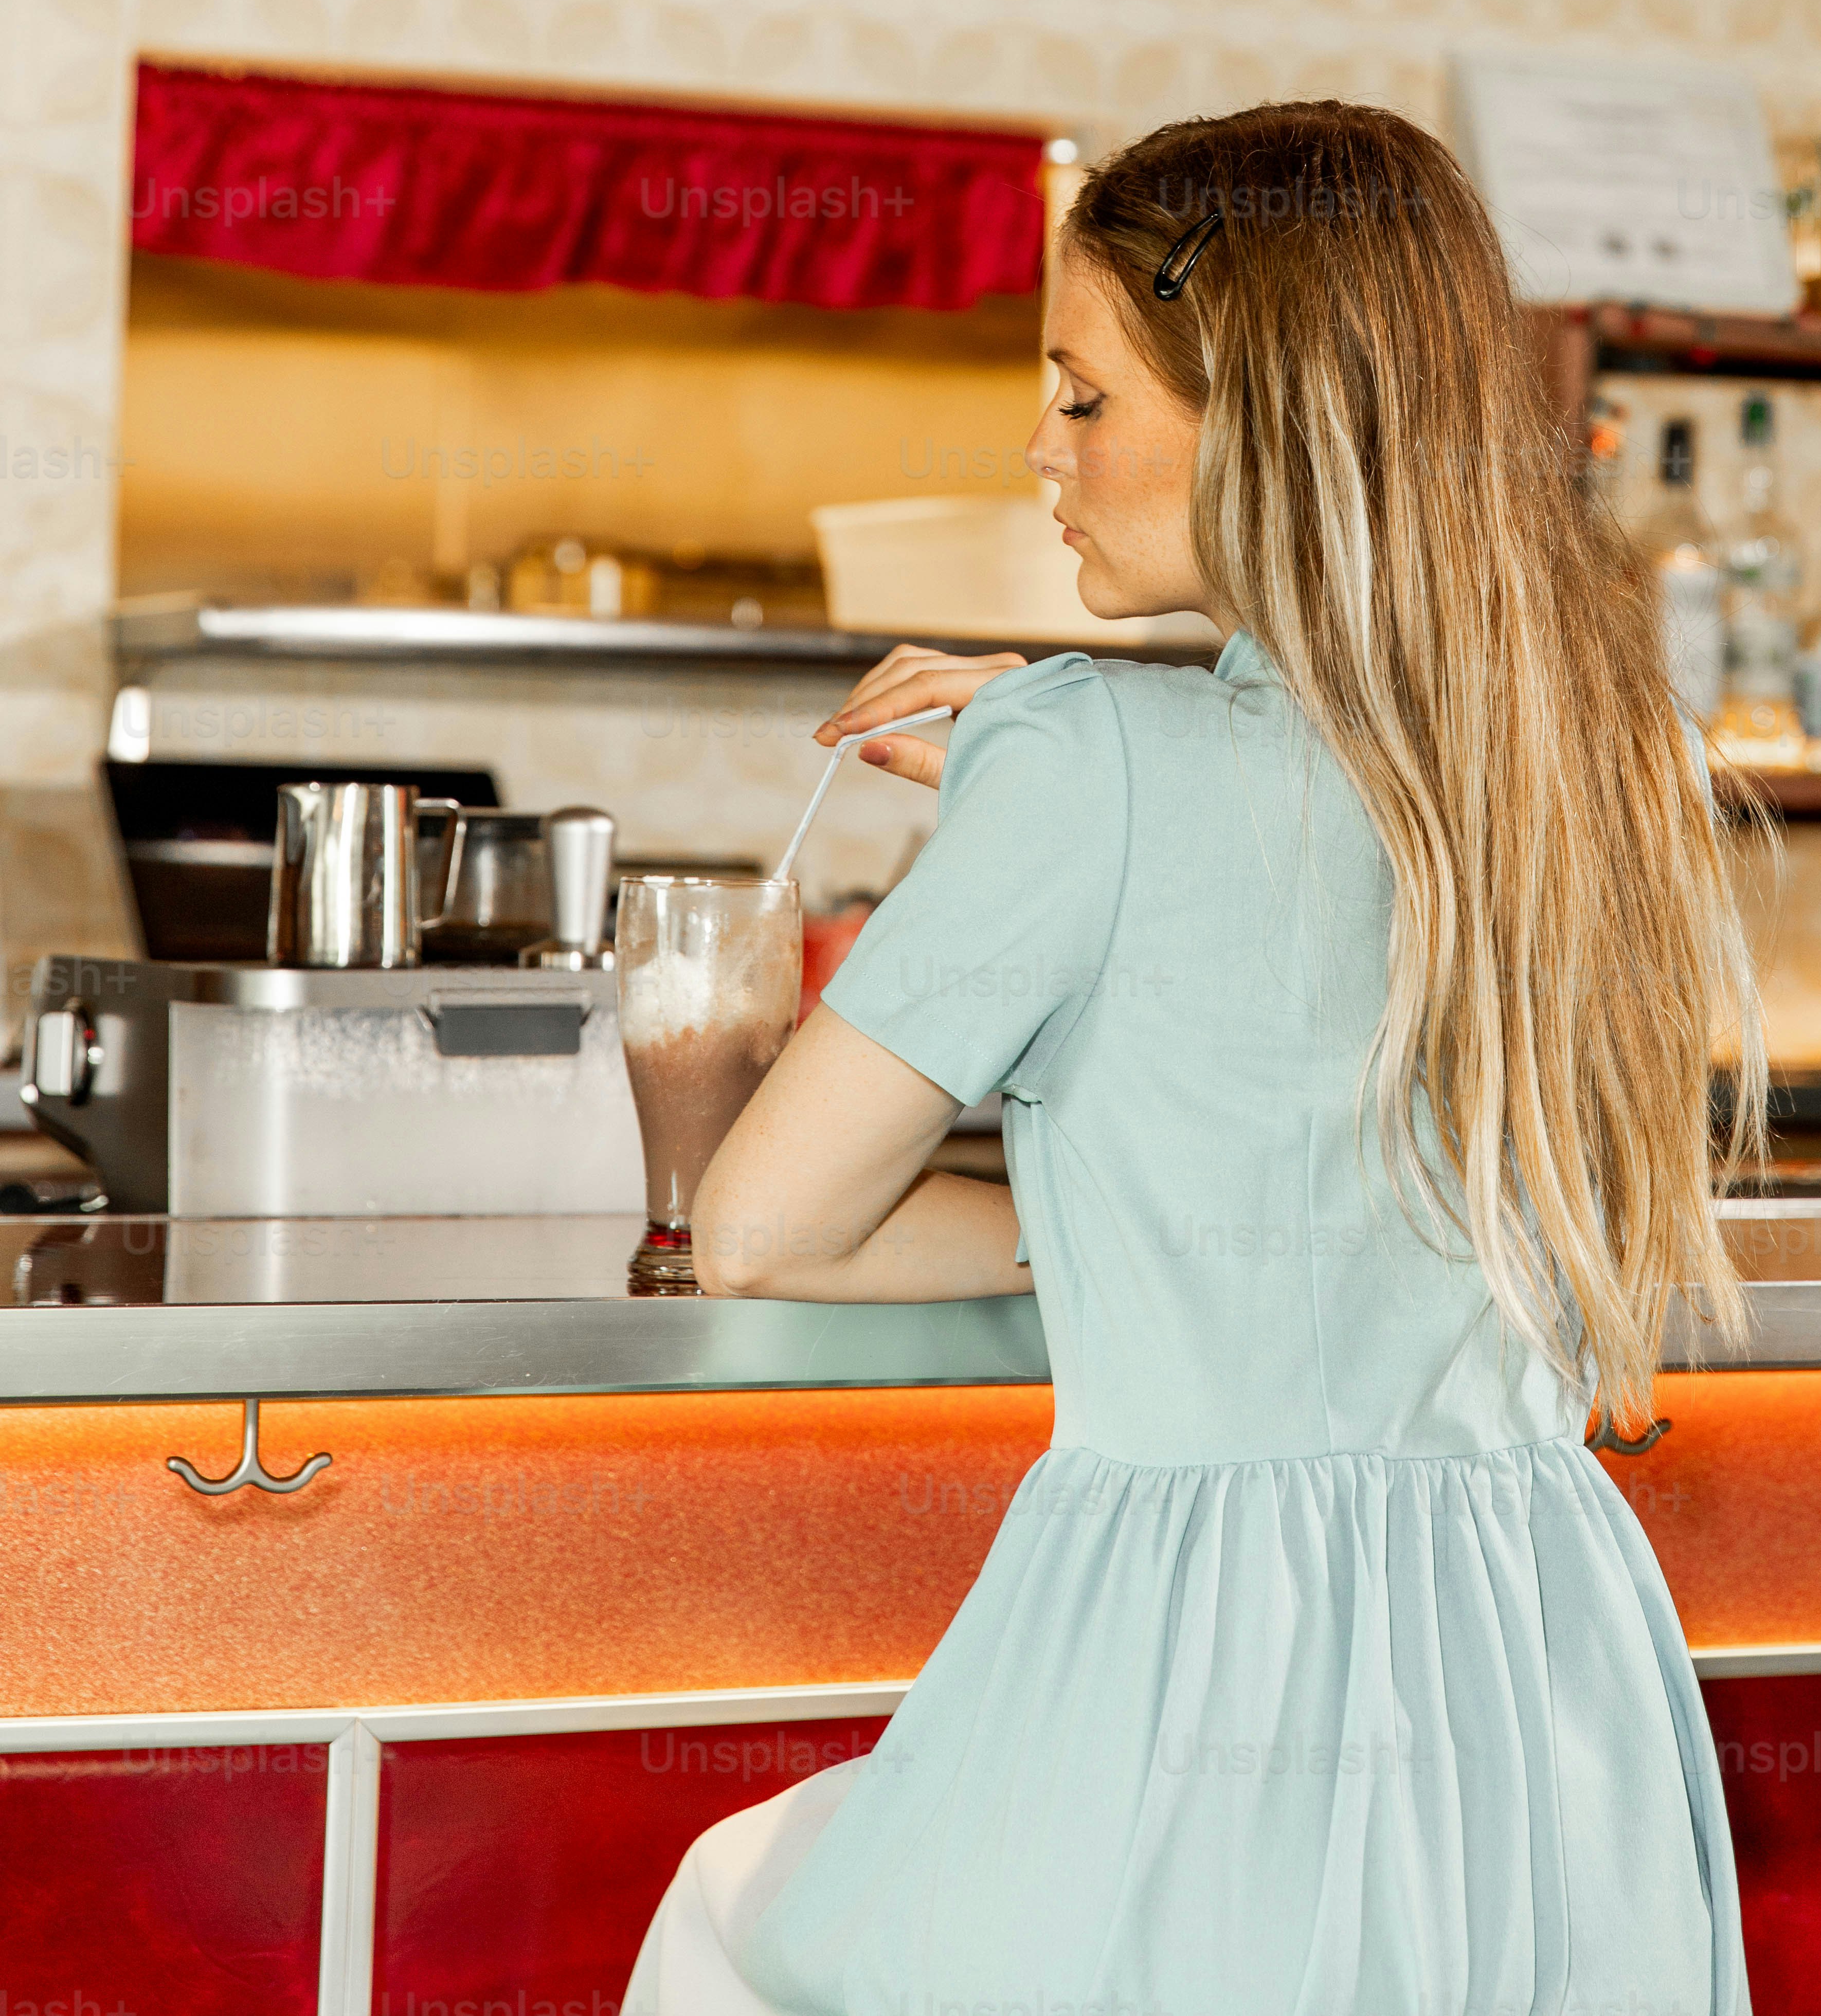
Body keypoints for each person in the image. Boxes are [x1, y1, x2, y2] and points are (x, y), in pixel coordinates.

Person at [625, 97, 1761, 2016]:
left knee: (743, 1922)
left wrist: (1047, 748)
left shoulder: (1082, 764)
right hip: (1542, 1685)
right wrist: (1066, 741)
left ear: (1267, 422)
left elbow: (753, 1230)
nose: (1042, 453)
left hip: (1197, 1679)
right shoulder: (1591, 771)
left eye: (1083, 398)